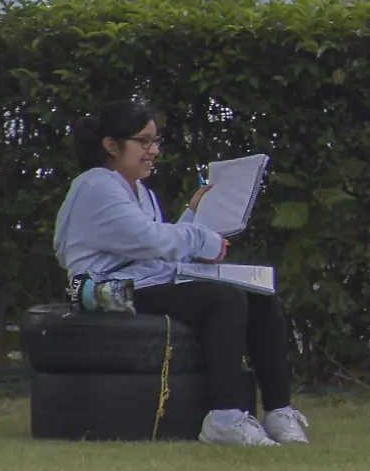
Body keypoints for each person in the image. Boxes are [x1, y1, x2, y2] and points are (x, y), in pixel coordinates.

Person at [53, 100, 307, 447]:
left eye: (155, 142)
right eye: (144, 142)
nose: (153, 151)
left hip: (142, 280)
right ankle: (225, 417)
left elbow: (151, 242)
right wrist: (202, 238)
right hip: (105, 289)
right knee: (223, 299)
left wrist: (192, 215)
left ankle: (279, 410)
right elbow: (148, 239)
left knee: (258, 295)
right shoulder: (96, 186)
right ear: (111, 145)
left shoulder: (137, 189)